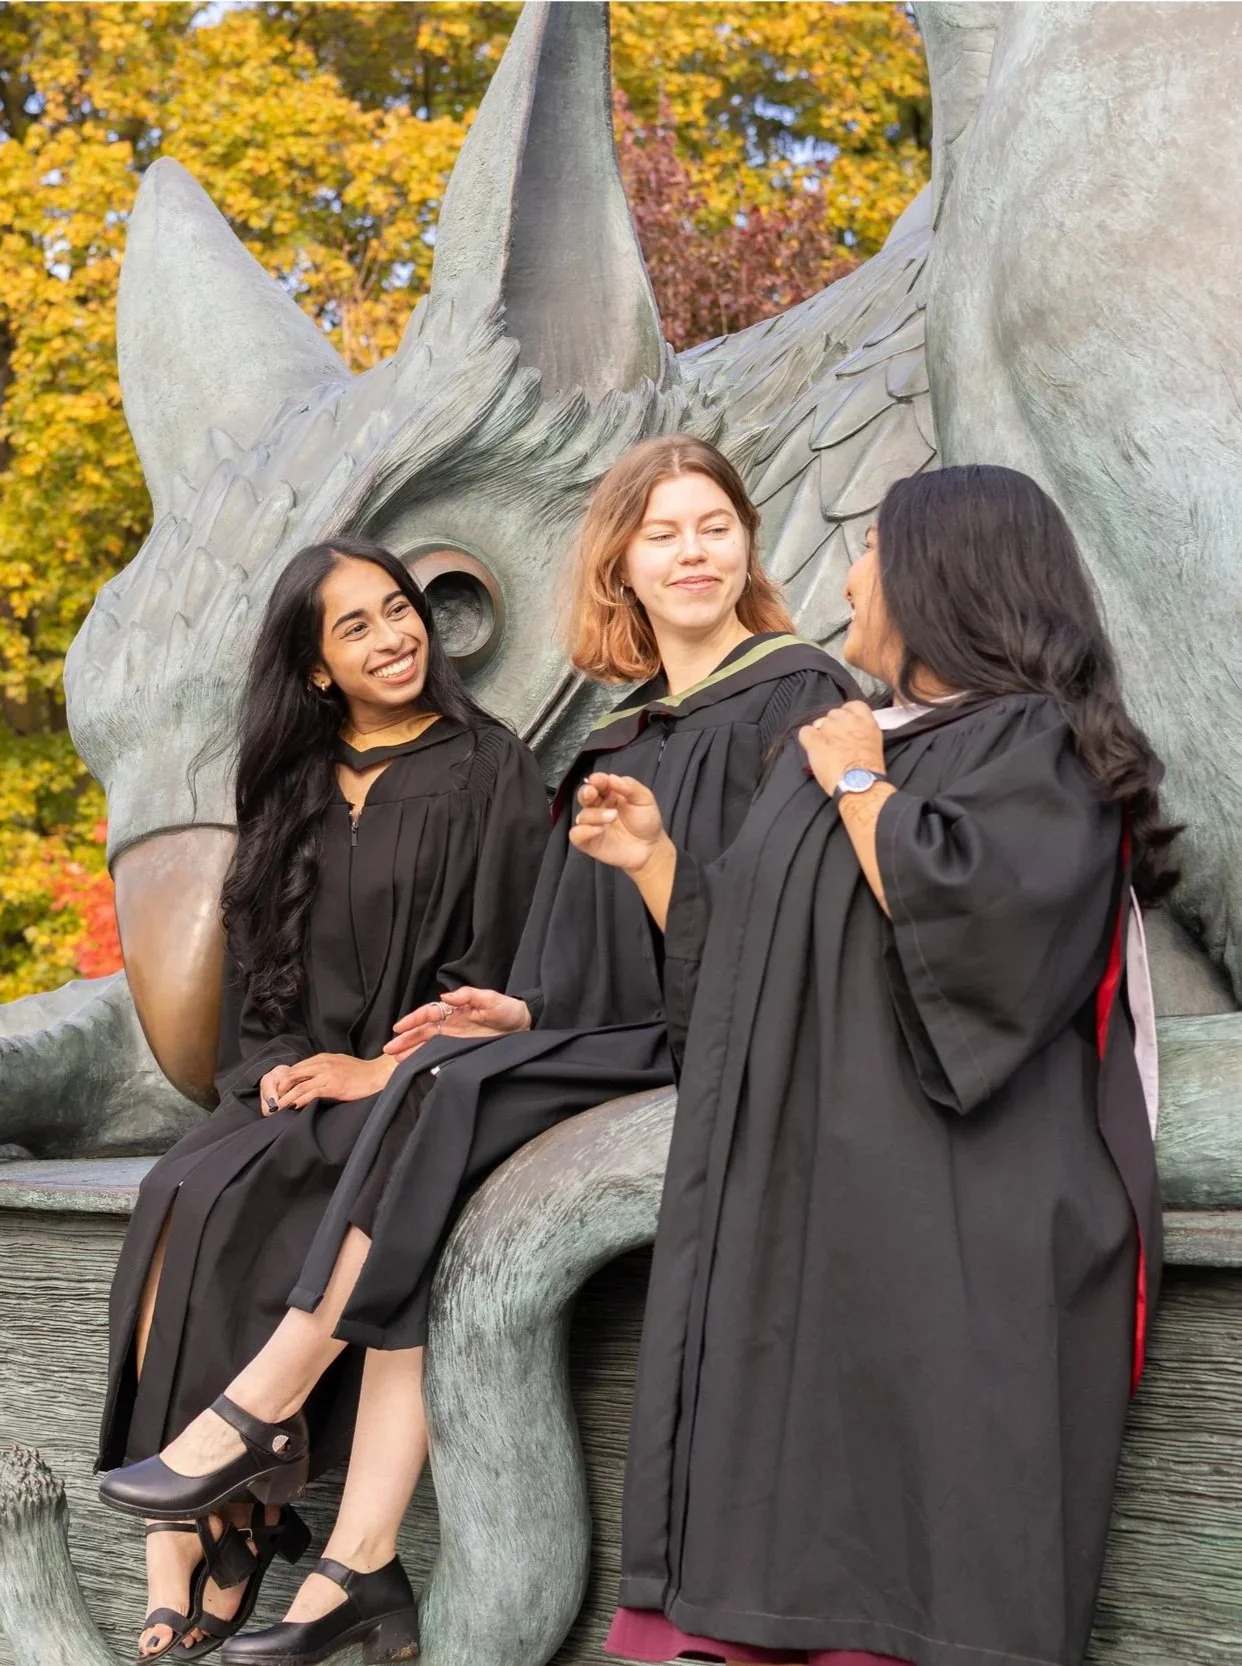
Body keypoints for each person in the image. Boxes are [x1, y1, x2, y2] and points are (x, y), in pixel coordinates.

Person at [104, 434, 854, 1666]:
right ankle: (347, 1560)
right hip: (620, 1036)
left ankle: (267, 1402)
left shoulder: (798, 698)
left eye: (712, 526)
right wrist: (518, 1013)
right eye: (661, 533)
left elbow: (790, 945)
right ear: (619, 561)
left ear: (748, 542)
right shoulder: (625, 734)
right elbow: (580, 967)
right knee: (437, 1084)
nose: (691, 553)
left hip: (742, 1049)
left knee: (428, 1093)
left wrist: (655, 867)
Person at [577, 464, 1173, 1666]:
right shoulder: (852, 742)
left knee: (907, 1557)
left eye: (868, 549)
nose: (845, 576)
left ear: (939, 578)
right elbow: (760, 968)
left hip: (958, 1227)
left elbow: (985, 939)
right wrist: (656, 865)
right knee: (757, 1540)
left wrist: (859, 781)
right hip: (811, 1212)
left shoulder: (1033, 744)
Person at [95, 538, 549, 1663]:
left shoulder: (488, 769)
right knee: (180, 1185)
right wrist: (280, 1069)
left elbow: (508, 972)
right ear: (313, 667)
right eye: (356, 626)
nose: (394, 636)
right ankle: (199, 1531)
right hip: (301, 1078)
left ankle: (224, 1519)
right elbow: (258, 977)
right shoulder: (290, 786)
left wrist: (374, 1070)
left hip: (419, 1084)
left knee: (275, 1181)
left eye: (399, 611)